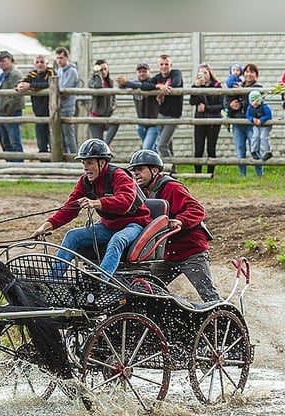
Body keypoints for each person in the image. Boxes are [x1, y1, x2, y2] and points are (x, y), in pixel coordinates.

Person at [32, 138, 151, 284]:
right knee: (72, 235)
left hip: (134, 224)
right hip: (108, 225)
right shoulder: (85, 182)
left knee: (117, 240)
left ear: (102, 162)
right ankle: (51, 281)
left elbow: (125, 202)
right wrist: (44, 227)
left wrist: (97, 203)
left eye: (89, 163)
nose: (85, 168)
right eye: (83, 163)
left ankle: (101, 282)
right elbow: (69, 209)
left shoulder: (119, 175)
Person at [128, 149, 220, 302]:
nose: (136, 173)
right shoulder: (142, 193)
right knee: (146, 291)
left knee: (208, 295)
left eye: (140, 169)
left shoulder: (172, 188)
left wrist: (180, 221)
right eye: (134, 170)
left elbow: (197, 210)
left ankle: (225, 321)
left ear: (154, 170)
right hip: (167, 255)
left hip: (191, 251)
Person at [134, 54, 184, 159]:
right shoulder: (158, 78)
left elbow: (175, 84)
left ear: (171, 65)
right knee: (167, 143)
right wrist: (158, 86)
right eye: (161, 64)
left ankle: (168, 167)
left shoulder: (176, 73)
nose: (164, 66)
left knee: (162, 145)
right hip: (161, 114)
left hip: (173, 115)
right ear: (158, 66)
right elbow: (145, 86)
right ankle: (171, 169)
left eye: (166, 64)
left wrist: (162, 92)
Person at [223, 62, 264, 177]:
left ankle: (260, 174)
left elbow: (254, 104)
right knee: (240, 150)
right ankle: (242, 175)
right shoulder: (236, 84)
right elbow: (226, 100)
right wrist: (231, 105)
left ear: (256, 74)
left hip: (251, 123)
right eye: (246, 71)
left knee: (254, 149)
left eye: (252, 72)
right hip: (237, 122)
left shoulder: (258, 88)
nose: (248, 74)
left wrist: (242, 93)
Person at [115, 61, 159, 152]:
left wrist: (126, 82)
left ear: (149, 72)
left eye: (144, 71)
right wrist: (121, 82)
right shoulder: (134, 84)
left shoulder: (152, 83)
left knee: (146, 148)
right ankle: (157, 165)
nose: (142, 73)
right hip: (141, 123)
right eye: (140, 71)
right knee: (151, 148)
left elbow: (143, 86)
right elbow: (122, 87)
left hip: (154, 122)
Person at [188, 63, 223, 175]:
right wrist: (196, 86)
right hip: (200, 120)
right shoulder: (197, 86)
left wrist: (206, 108)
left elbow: (221, 105)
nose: (203, 75)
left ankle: (210, 173)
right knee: (198, 147)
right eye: (200, 73)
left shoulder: (217, 86)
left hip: (214, 119)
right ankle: (198, 172)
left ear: (210, 74)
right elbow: (192, 101)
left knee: (211, 147)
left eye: (205, 73)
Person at [16, 54, 54, 154]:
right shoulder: (32, 74)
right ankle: (43, 163)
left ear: (47, 63)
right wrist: (21, 86)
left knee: (53, 140)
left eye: (42, 62)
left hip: (52, 112)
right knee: (41, 141)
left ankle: (55, 163)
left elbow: (49, 84)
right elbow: (21, 83)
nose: (39, 64)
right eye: (37, 62)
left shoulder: (51, 72)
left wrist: (30, 86)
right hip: (38, 113)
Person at [0, 50, 24, 161]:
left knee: (14, 139)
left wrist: (8, 109)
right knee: (5, 140)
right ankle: (10, 162)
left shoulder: (15, 74)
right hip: (2, 112)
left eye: (3, 60)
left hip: (10, 112)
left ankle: (18, 163)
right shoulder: (2, 75)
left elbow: (16, 95)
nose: (1, 63)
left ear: (10, 60)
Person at [54, 47, 79, 155]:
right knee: (61, 135)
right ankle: (65, 156)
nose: (59, 60)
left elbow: (64, 90)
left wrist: (57, 93)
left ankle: (74, 156)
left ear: (67, 58)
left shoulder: (72, 71)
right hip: (59, 106)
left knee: (69, 134)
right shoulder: (59, 71)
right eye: (58, 58)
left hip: (68, 106)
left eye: (61, 58)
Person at [87, 59, 118, 144]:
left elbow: (113, 96)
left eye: (105, 69)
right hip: (96, 117)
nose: (103, 72)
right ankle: (104, 147)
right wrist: (97, 74)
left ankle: (106, 146)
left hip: (107, 116)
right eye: (101, 70)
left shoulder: (110, 82)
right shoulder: (92, 81)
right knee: (98, 143)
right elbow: (98, 87)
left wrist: (113, 105)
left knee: (116, 121)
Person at [245, 90, 273, 161]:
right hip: (256, 125)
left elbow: (268, 115)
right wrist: (252, 119)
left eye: (257, 100)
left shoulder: (264, 106)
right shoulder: (249, 108)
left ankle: (267, 151)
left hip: (265, 125)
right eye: (253, 101)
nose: (255, 103)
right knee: (255, 136)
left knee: (263, 137)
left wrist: (261, 120)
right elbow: (247, 115)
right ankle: (254, 151)